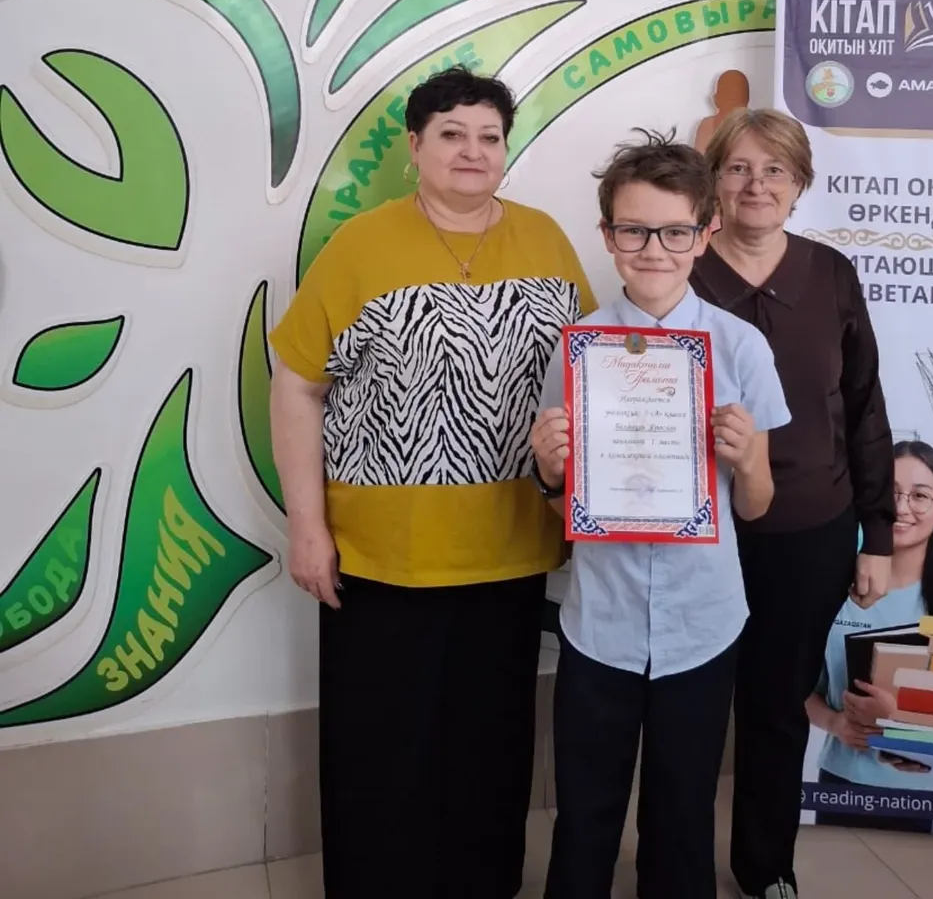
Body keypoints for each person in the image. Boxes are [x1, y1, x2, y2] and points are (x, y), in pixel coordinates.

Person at [268, 66, 595, 899]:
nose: (472, 151)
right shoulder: (361, 246)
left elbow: (591, 377)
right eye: (452, 134)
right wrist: (307, 526)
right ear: (415, 147)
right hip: (383, 559)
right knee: (379, 754)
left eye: (489, 136)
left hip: (509, 550)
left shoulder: (547, 241)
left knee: (491, 751)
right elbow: (297, 385)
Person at [530, 133, 790, 899]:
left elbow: (758, 503)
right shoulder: (579, 348)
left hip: (701, 622)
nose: (654, 250)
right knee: (585, 810)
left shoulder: (739, 348)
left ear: (706, 233)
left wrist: (747, 461)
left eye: (675, 232)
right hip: (600, 622)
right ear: (608, 235)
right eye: (635, 231)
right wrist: (550, 473)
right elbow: (564, 505)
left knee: (681, 813)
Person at [692, 108, 894, 899]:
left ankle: (765, 867)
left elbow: (865, 405)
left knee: (777, 707)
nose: (757, 185)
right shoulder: (680, 270)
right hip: (702, 531)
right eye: (739, 168)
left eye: (775, 169)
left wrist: (878, 536)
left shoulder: (832, 274)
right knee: (691, 707)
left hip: (811, 529)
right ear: (713, 181)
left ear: (800, 182)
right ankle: (678, 865)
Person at [807, 441, 933, 829]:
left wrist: (901, 726)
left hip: (931, 794)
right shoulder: (832, 593)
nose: (902, 508)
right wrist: (835, 723)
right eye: (889, 494)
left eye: (920, 496)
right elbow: (799, 689)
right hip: (840, 785)